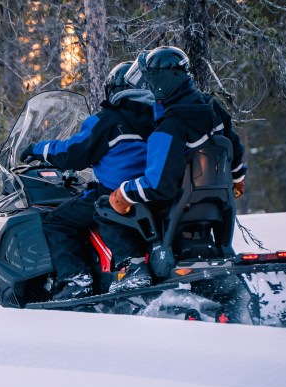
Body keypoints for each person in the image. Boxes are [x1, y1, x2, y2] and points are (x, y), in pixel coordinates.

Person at [99, 46, 247, 293]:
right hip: (213, 206)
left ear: (160, 82)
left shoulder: (168, 129)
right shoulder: (212, 108)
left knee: (104, 206)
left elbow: (157, 185)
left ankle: (133, 268)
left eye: (147, 81)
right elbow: (234, 148)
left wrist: (123, 193)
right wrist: (237, 179)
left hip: (174, 206)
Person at [19, 62, 155, 300]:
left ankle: (76, 279)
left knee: (57, 221)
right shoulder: (158, 117)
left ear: (114, 89)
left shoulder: (108, 121)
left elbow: (74, 152)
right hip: (153, 191)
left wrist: (38, 149)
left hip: (114, 194)